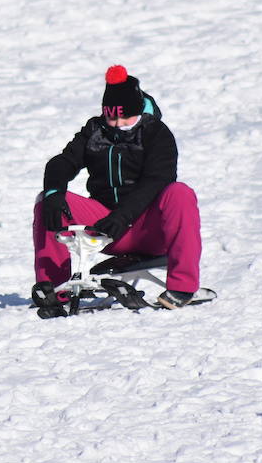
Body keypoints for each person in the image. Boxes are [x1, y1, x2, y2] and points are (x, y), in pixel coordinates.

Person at [33, 65, 203, 315]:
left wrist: (122, 216)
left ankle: (182, 287)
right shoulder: (96, 130)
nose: (118, 124)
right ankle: (54, 287)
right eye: (112, 118)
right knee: (48, 200)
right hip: (107, 229)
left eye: (126, 118)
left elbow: (156, 181)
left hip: (149, 230)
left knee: (180, 193)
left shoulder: (156, 133)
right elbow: (62, 162)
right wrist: (53, 192)